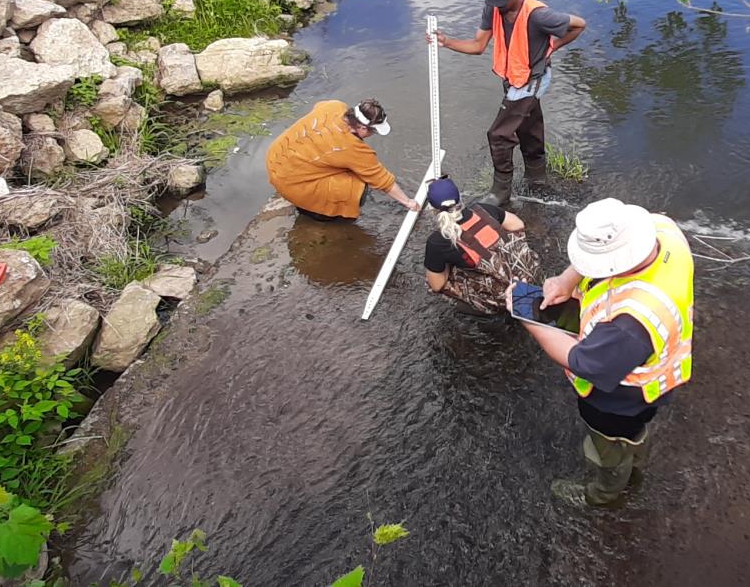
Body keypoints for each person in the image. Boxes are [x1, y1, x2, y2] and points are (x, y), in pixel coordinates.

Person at [510, 198, 694, 507]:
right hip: (655, 381)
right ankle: (635, 458)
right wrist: (567, 280)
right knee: (635, 432)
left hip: (619, 399)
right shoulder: (664, 230)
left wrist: (527, 320)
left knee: (604, 447)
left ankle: (604, 493)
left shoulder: (632, 321)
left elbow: (582, 361)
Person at [431, 0, 586, 206]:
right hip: (512, 78)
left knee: (499, 135)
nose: (497, 5)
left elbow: (579, 24)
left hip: (532, 81)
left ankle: (500, 192)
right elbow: (478, 46)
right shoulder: (493, 7)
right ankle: (537, 179)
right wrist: (446, 41)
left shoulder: (538, 15)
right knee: (529, 127)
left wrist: (552, 47)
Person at [265, 98, 420, 221]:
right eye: (373, 131)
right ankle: (318, 213)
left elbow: (318, 106)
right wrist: (408, 202)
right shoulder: (352, 148)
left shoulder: (335, 106)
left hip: (276, 158)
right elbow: (382, 180)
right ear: (362, 128)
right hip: (291, 183)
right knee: (357, 188)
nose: (372, 135)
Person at [421, 176, 540, 314]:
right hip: (528, 276)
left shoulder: (437, 241)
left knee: (431, 281)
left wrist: (448, 264)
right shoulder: (482, 210)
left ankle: (481, 309)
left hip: (502, 297)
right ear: (460, 199)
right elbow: (518, 224)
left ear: (433, 210)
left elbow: (437, 285)